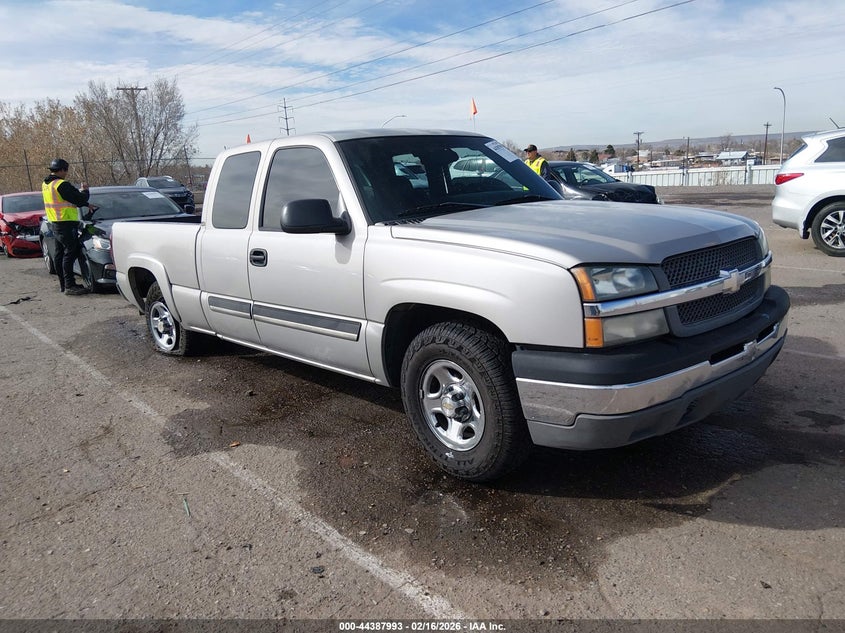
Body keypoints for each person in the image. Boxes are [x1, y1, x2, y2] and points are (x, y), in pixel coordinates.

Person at [42, 158, 91, 295]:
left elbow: (66, 200)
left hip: (55, 223)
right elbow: (79, 199)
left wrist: (87, 205)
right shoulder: (61, 184)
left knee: (59, 254)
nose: (66, 173)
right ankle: (69, 285)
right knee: (71, 252)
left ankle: (64, 284)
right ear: (62, 170)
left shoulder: (46, 184)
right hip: (65, 224)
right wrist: (85, 191)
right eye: (66, 170)